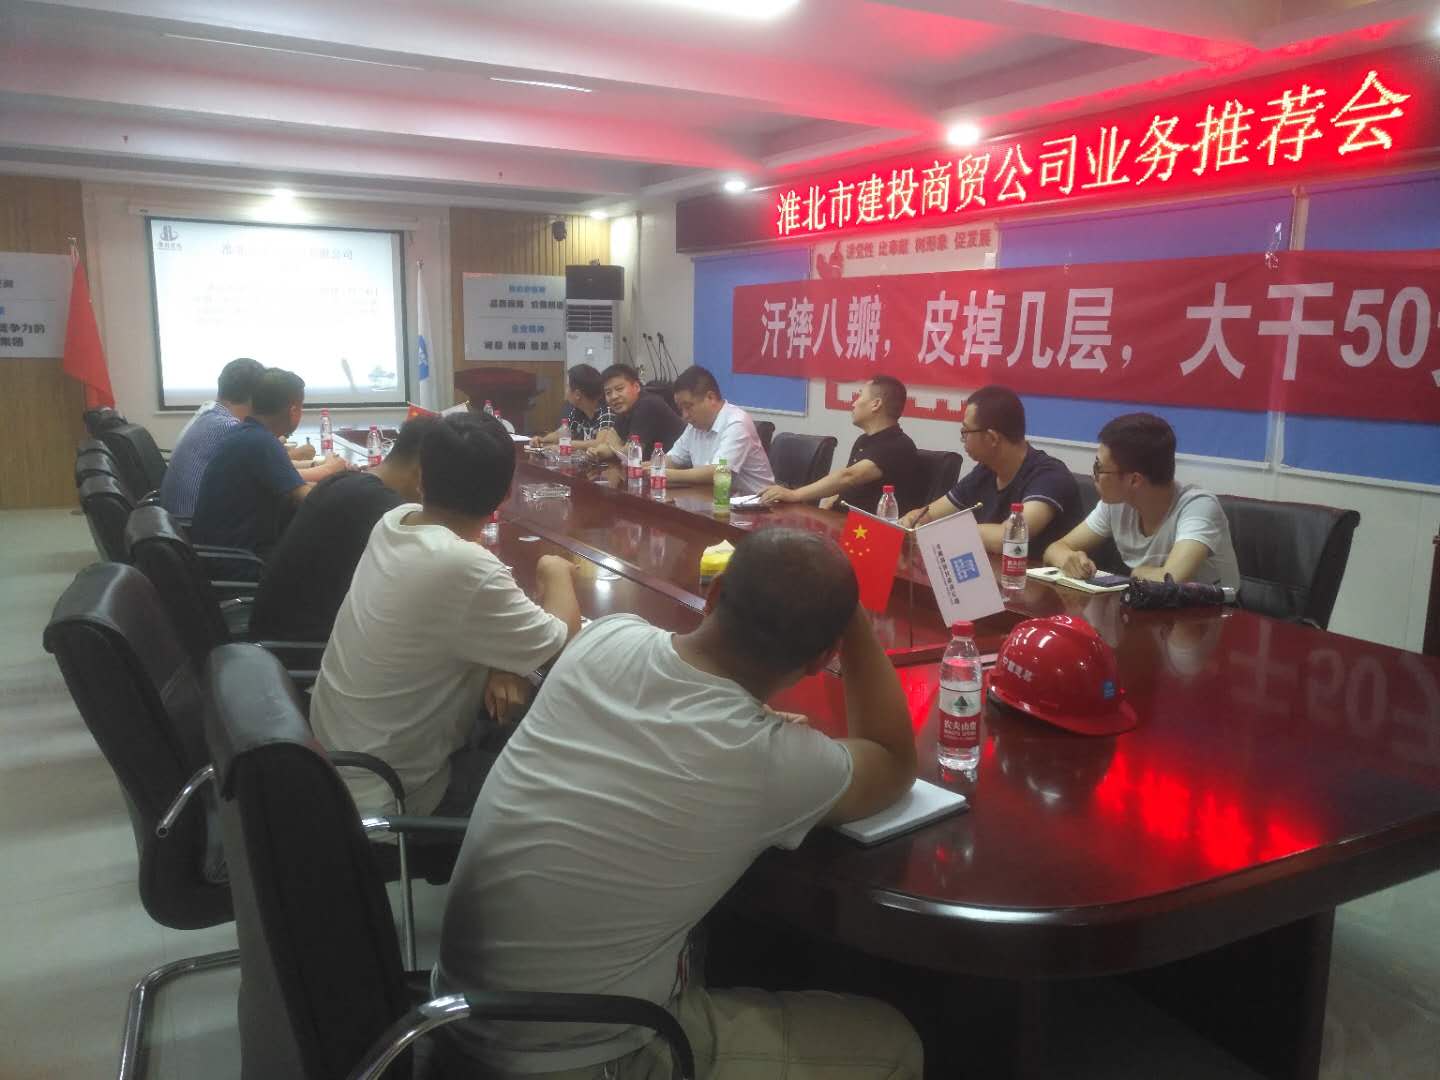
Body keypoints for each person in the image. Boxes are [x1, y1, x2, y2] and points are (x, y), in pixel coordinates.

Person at [434, 528, 924, 1080]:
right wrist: (851, 619)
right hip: (581, 1057)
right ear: (823, 658)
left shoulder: (606, 638)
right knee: (897, 1044)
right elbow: (892, 757)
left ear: (713, 596)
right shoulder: (768, 760)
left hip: (450, 1018)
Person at [310, 413, 581, 818]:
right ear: (506, 494)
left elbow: (460, 610)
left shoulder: (394, 522)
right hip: (390, 795)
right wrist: (553, 570)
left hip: (331, 763)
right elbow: (563, 642)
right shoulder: (463, 567)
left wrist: (505, 662)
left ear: (420, 478)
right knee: (563, 787)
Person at [248, 414, 437, 643]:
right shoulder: (383, 508)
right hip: (302, 646)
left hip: (274, 634)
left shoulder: (343, 482)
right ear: (420, 473)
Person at [1044, 412, 1240, 588]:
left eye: (1099, 468)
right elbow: (1055, 549)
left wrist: (1138, 573)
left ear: (1134, 480)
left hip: (1216, 612)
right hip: (1153, 606)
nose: (1093, 475)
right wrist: (1069, 559)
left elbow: (1172, 580)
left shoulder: (1198, 506)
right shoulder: (1115, 504)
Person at [899, 385, 1080, 558]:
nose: (963, 439)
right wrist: (915, 519)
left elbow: (1010, 536)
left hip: (1033, 578)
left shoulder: (1049, 476)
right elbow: (930, 514)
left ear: (992, 438)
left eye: (966, 431)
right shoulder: (985, 470)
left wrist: (945, 531)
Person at [189, 368, 348, 554]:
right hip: (240, 558)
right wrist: (352, 492)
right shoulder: (260, 442)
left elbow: (293, 484)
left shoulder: (246, 434)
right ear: (294, 411)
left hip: (221, 550)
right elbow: (307, 498)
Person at [160, 357, 314, 518]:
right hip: (191, 522)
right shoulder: (231, 427)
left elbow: (270, 469)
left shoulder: (212, 414)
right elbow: (280, 476)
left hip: (182, 520)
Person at [757, 375, 924, 514]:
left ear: (876, 404)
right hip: (843, 520)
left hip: (870, 532)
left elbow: (849, 477)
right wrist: (835, 498)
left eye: (859, 396)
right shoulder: (864, 440)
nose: (854, 403)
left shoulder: (898, 445)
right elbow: (850, 487)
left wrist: (794, 495)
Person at [653, 365, 774, 496]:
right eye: (681, 409)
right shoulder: (694, 426)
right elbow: (673, 460)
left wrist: (665, 474)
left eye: (688, 407)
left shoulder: (737, 422)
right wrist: (645, 467)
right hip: (714, 499)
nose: (684, 415)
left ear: (710, 398)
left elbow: (718, 472)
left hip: (757, 503)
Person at [589, 363, 684, 462]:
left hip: (677, 467)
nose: (614, 396)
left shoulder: (648, 405)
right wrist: (595, 452)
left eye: (619, 389)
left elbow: (632, 454)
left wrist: (614, 447)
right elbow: (609, 444)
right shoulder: (624, 409)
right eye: (608, 393)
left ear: (636, 387)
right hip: (653, 467)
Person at [530, 364, 614, 449]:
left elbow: (600, 444)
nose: (565, 390)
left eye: (568, 386)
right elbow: (562, 433)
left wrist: (565, 444)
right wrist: (542, 440)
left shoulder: (607, 411)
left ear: (577, 394)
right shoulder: (578, 410)